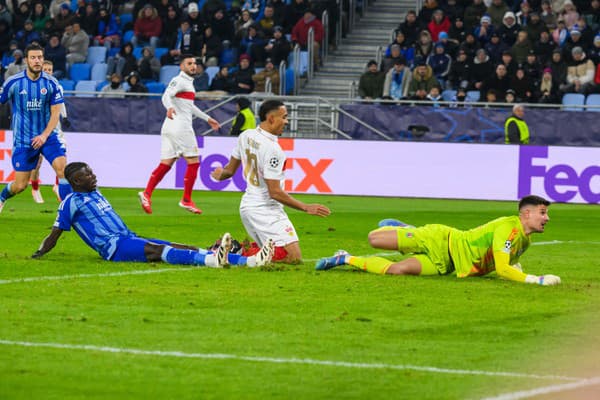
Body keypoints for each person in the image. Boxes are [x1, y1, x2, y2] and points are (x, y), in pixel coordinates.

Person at [32, 162, 274, 268]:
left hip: (127, 237)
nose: (94, 176)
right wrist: (39, 253)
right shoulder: (71, 203)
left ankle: (250, 262)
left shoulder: (96, 193)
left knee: (182, 246)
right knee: (158, 252)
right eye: (88, 175)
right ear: (76, 180)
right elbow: (55, 234)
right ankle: (213, 261)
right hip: (114, 248)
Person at [315, 195, 561, 286]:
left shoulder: (524, 241)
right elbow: (503, 268)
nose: (547, 218)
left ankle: (344, 257)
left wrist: (515, 268)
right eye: (543, 212)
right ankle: (409, 230)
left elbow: (503, 263)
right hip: (440, 239)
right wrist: (536, 280)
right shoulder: (508, 229)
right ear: (526, 214)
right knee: (374, 239)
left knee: (398, 271)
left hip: (448, 264)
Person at [211, 99, 331, 264]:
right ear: (271, 118)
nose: (287, 122)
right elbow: (274, 192)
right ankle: (233, 251)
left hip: (248, 207)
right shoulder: (274, 150)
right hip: (266, 209)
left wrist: (219, 174)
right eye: (284, 117)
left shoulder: (246, 135)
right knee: (293, 257)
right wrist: (305, 207)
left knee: (270, 253)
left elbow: (229, 171)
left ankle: (234, 250)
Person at [139, 55, 221, 215]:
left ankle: (147, 193)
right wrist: (169, 107)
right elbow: (165, 96)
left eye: (195, 63)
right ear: (181, 66)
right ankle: (186, 199)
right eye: (189, 63)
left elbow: (189, 107)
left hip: (169, 126)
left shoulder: (188, 83)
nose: (193, 66)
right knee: (193, 161)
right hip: (180, 126)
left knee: (167, 163)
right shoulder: (179, 80)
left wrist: (208, 118)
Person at [0, 44, 72, 214]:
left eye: (39, 57)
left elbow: (56, 114)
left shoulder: (52, 83)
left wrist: (45, 135)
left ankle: (67, 212)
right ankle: (2, 197)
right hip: (23, 140)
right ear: (26, 60)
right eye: (33, 57)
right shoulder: (14, 82)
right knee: (20, 185)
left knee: (62, 169)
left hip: (48, 136)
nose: (37, 61)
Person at [30, 60, 70, 204]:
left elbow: (61, 104)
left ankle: (57, 186)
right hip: (38, 130)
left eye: (50, 69)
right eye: (45, 69)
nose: (47, 72)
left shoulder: (57, 86)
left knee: (62, 159)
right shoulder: (34, 87)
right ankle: (35, 188)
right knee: (37, 163)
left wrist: (65, 117)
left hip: (55, 129)